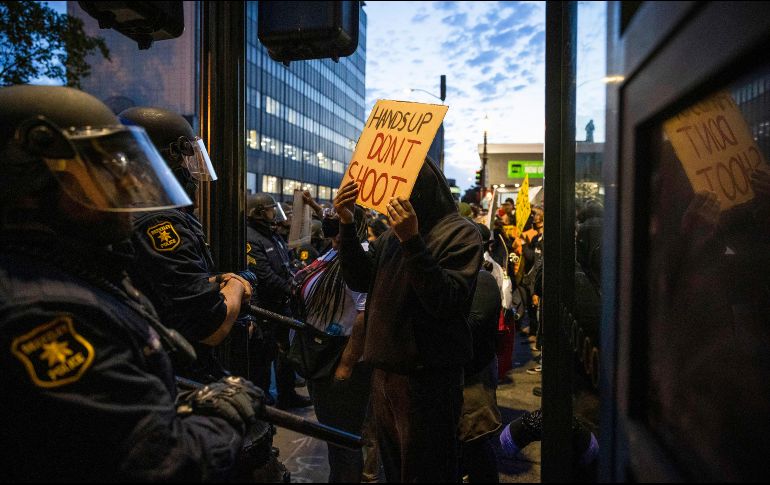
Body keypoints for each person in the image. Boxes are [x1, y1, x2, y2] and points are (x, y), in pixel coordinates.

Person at [0, 85, 264, 481]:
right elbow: (161, 461)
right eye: (98, 172)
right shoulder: (41, 312)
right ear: (29, 189)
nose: (124, 188)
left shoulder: (63, 270)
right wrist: (219, 416)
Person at [334, 157, 483, 482]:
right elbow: (361, 279)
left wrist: (413, 241)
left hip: (426, 379)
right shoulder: (391, 236)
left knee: (426, 472)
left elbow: (445, 300)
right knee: (395, 469)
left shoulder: (460, 233)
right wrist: (346, 224)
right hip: (386, 374)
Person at [120, 106, 252, 382]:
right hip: (179, 376)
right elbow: (210, 327)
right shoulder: (160, 222)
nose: (191, 173)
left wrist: (213, 280)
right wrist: (236, 286)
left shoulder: (128, 211)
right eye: (186, 158)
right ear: (170, 157)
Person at [291, 203, 371, 482]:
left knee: (342, 439)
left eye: (340, 227)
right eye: (331, 227)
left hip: (341, 358)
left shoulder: (357, 257)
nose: (334, 234)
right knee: (332, 435)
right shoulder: (333, 252)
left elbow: (365, 313)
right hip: (321, 352)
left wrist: (347, 364)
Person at [246, 193, 312, 410]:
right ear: (258, 213)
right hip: (265, 307)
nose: (275, 213)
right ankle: (261, 401)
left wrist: (297, 278)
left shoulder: (272, 235)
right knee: (264, 358)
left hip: (282, 305)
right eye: (270, 209)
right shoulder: (251, 237)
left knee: (285, 354)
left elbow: (286, 265)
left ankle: (287, 394)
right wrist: (292, 288)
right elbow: (264, 275)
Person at [459, 224, 504, 483]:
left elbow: (473, 325)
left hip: (475, 376)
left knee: (476, 440)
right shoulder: (459, 275)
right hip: (460, 375)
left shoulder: (484, 279)